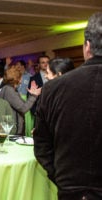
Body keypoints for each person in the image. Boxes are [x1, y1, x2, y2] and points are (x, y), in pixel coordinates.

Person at [33, 12, 102, 200]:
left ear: (87, 47)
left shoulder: (53, 88)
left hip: (70, 188)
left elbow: (41, 145)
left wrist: (61, 177)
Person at [0, 66, 41, 135]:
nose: (21, 80)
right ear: (16, 78)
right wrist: (34, 95)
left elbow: (21, 105)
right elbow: (23, 108)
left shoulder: (8, 88)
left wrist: (31, 95)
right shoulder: (9, 90)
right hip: (12, 131)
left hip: (12, 129)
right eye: (21, 77)